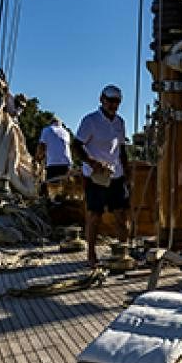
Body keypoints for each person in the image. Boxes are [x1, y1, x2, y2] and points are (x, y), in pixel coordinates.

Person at [75, 84, 129, 267]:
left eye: (117, 101)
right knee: (94, 216)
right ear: (102, 99)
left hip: (116, 175)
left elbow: (122, 149)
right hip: (95, 176)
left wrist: (127, 173)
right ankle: (91, 254)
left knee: (121, 215)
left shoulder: (120, 122)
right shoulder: (90, 121)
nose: (113, 105)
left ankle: (123, 253)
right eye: (110, 100)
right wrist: (91, 162)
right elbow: (76, 145)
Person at [39, 116, 73, 183]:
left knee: (52, 186)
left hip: (53, 163)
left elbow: (41, 146)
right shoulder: (66, 132)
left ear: (51, 123)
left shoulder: (47, 130)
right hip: (67, 164)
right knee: (65, 186)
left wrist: (38, 158)